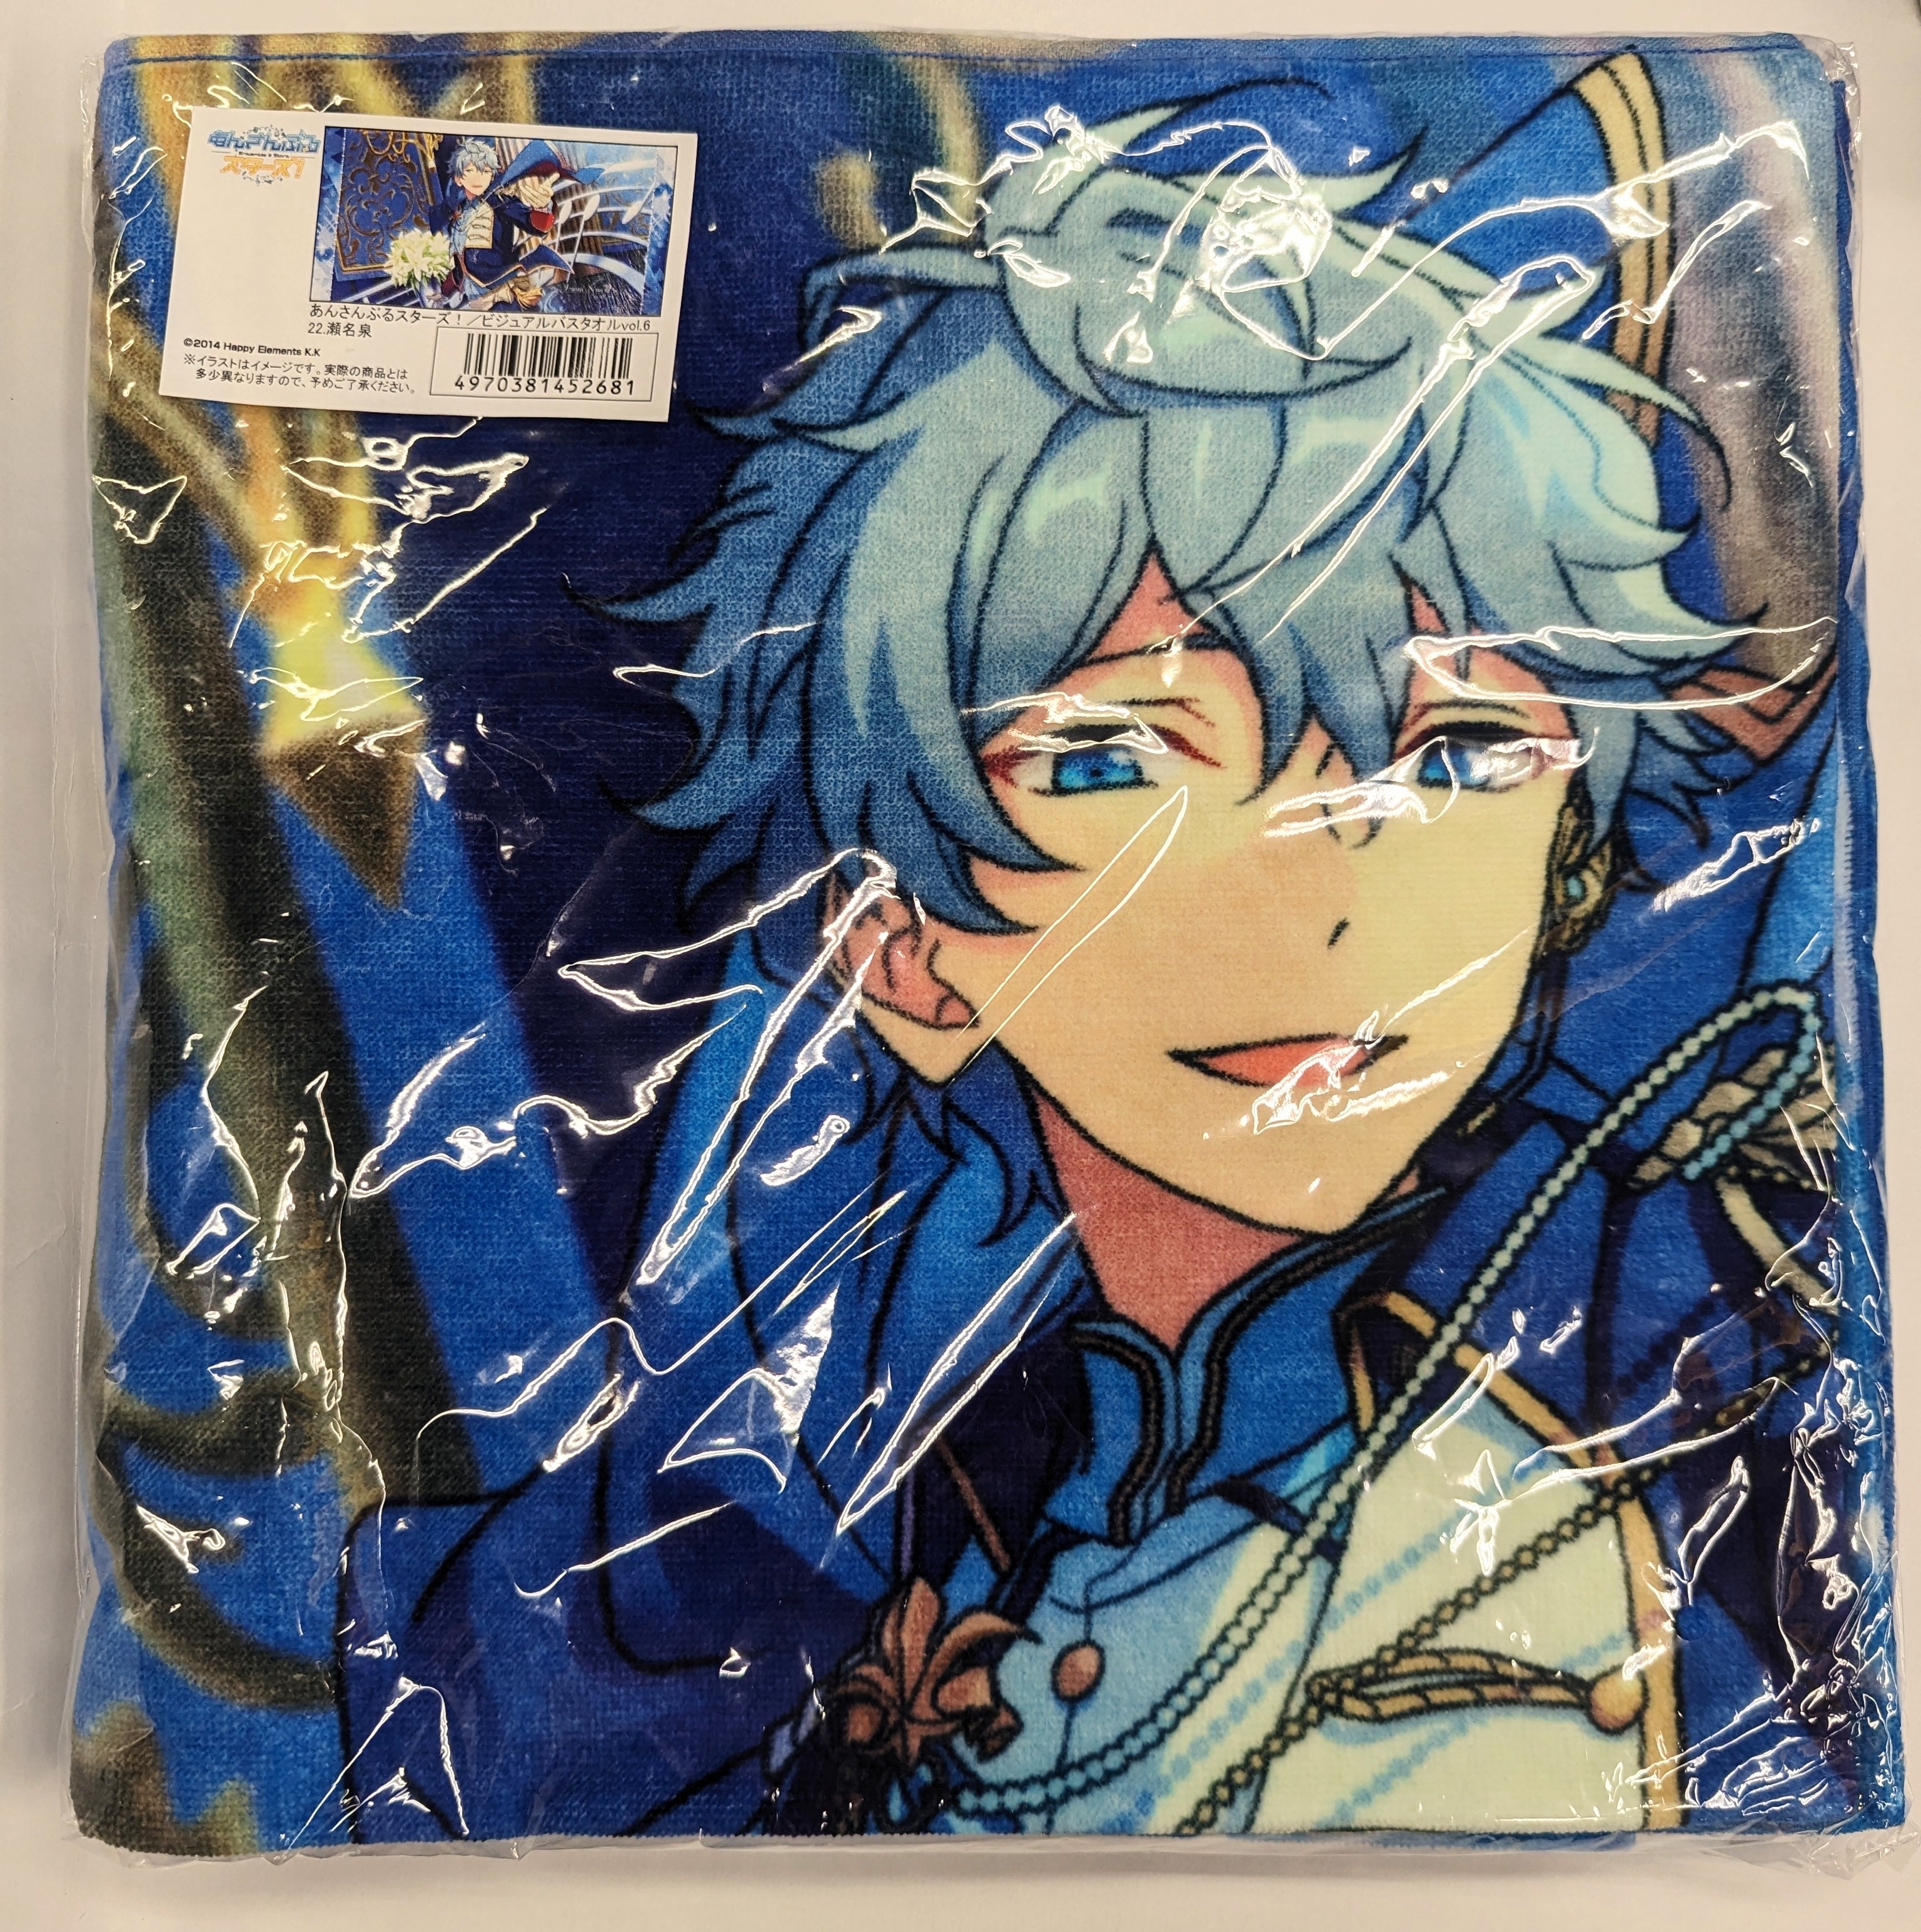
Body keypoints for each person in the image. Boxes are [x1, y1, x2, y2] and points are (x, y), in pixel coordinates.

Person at [337, 100, 1856, 1841]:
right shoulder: (755, 1510)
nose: (1322, 901)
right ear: (893, 945)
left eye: (1451, 756)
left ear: (1569, 851)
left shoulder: (1652, 1377)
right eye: (1110, 760)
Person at [430, 136, 565, 310]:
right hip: (477, 301)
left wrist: (542, 206)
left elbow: (535, 226)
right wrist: (444, 292)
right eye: (471, 170)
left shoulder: (500, 201)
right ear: (459, 178)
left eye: (486, 171)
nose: (479, 177)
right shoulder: (459, 212)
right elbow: (461, 264)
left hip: (505, 291)